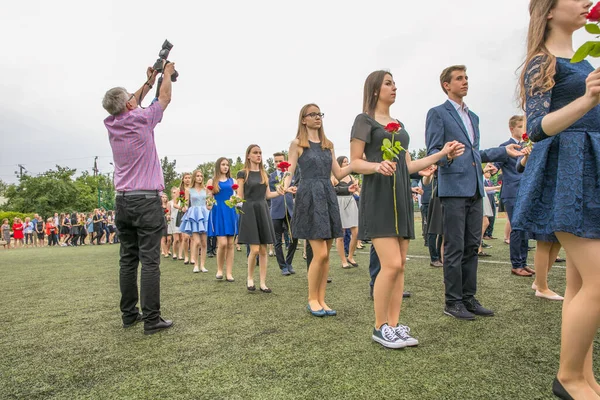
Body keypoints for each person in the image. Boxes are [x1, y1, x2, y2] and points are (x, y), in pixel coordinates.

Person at [512, 1, 600, 397]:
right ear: (548, 10)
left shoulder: (585, 59)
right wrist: (587, 100)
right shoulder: (540, 62)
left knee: (582, 283)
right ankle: (568, 378)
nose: (586, 2)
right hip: (566, 170)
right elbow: (535, 128)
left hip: (593, 166)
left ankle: (585, 378)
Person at [350, 71, 465, 349]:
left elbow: (407, 166)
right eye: (388, 83)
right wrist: (377, 166)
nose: (394, 87)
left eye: (394, 83)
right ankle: (379, 327)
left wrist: (440, 154)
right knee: (389, 265)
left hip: (401, 197)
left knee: (400, 267)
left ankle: (394, 325)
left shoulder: (398, 125)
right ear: (375, 89)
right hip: (378, 197)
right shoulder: (363, 120)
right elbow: (354, 162)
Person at [425, 65, 522, 321]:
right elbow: (434, 151)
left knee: (472, 246)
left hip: (475, 188)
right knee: (455, 247)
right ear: (446, 84)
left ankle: (469, 298)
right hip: (453, 188)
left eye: (466, 77)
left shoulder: (473, 117)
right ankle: (453, 301)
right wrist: (446, 155)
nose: (465, 81)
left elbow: (474, 153)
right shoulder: (437, 114)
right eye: (459, 78)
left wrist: (504, 152)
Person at [102, 61, 175, 335]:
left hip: (122, 201)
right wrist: (165, 75)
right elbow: (164, 98)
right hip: (145, 201)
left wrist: (148, 80)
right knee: (150, 260)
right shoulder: (142, 119)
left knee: (128, 259)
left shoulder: (112, 122)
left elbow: (129, 101)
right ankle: (152, 318)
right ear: (129, 104)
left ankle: (129, 314)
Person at [284, 104, 352, 316]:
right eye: (312, 114)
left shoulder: (328, 144)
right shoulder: (297, 144)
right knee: (320, 253)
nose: (317, 117)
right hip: (308, 195)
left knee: (326, 255)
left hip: (328, 194)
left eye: (319, 114)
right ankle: (312, 299)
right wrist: (284, 184)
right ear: (303, 119)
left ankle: (322, 299)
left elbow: (339, 172)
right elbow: (289, 169)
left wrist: (358, 164)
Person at [237, 144, 286, 293]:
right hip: (249, 210)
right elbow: (240, 196)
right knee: (255, 249)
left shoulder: (265, 174)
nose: (258, 155)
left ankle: (263, 283)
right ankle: (250, 278)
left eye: (260, 153)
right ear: (248, 156)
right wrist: (235, 203)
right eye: (255, 153)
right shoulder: (242, 173)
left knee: (264, 250)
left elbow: (268, 195)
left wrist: (282, 192)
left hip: (263, 209)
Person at [495, 115, 534, 276]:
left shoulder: (529, 146)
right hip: (511, 192)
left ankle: (523, 262)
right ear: (512, 128)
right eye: (519, 126)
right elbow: (495, 165)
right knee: (516, 227)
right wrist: (490, 168)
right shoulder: (505, 147)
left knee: (525, 228)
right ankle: (516, 264)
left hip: (526, 191)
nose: (522, 130)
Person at [207, 158, 239, 281]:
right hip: (218, 212)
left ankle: (229, 273)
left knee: (231, 244)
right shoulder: (212, 181)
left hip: (230, 212)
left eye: (227, 165)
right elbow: (208, 200)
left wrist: (236, 200)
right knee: (223, 243)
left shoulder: (233, 181)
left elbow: (237, 196)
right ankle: (220, 269)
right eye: (223, 164)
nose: (226, 167)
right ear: (218, 166)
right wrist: (208, 203)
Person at [269, 152, 299, 276]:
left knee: (294, 237)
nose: (278, 163)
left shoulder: (291, 175)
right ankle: (282, 267)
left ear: (285, 161)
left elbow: (297, 186)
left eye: (280, 161)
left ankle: (288, 262)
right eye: (276, 161)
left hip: (291, 210)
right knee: (277, 240)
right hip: (276, 210)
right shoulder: (270, 176)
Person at [331, 156, 360, 269]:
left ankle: (350, 256)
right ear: (339, 164)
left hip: (351, 203)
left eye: (347, 161)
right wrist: (345, 189)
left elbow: (358, 191)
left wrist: (357, 187)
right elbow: (330, 190)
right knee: (340, 235)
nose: (347, 163)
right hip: (339, 203)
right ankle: (343, 260)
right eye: (344, 162)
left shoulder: (352, 177)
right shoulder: (334, 178)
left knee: (356, 233)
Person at [180, 170, 210, 273]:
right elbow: (186, 203)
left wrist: (210, 205)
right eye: (197, 176)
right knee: (196, 242)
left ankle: (202, 265)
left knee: (204, 243)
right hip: (193, 214)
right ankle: (196, 265)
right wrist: (183, 207)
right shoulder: (189, 190)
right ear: (194, 177)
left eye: (201, 176)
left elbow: (208, 203)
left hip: (204, 214)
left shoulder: (205, 190)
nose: (199, 178)